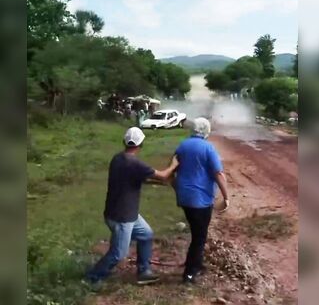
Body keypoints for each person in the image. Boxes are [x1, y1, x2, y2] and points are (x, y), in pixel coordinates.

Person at [86, 127, 179, 286]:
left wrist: (162, 183)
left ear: (124, 142)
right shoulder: (135, 163)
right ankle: (92, 277)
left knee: (146, 234)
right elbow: (163, 175)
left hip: (122, 213)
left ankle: (144, 271)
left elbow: (140, 179)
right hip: (122, 217)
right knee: (118, 253)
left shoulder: (118, 159)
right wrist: (174, 165)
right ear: (141, 144)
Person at [174, 117, 229, 284]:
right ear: (207, 131)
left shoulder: (183, 145)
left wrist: (177, 188)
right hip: (200, 200)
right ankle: (189, 274)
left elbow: (171, 168)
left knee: (197, 233)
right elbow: (218, 174)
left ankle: (196, 263)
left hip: (184, 198)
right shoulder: (208, 148)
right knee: (199, 237)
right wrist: (226, 197)